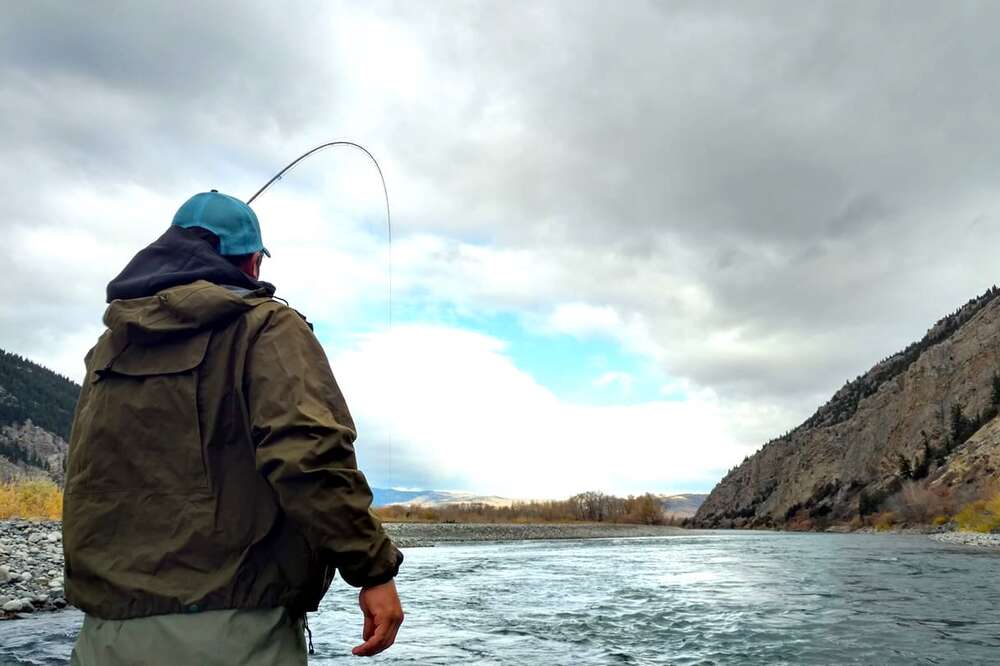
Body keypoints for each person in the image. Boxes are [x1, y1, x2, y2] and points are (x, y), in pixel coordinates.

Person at [63, 191, 403, 664]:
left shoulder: (111, 346)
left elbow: (81, 475)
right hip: (234, 634)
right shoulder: (267, 327)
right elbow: (307, 455)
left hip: (103, 635)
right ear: (251, 264)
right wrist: (373, 568)